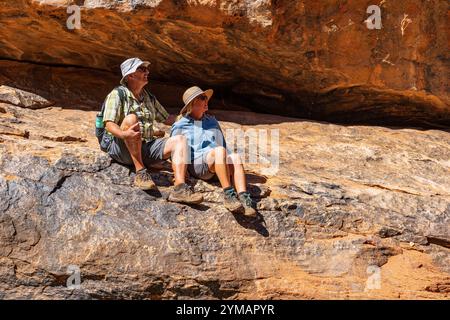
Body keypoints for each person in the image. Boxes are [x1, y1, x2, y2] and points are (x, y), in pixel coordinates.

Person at [99, 57, 203, 204]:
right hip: (122, 148)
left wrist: (193, 116)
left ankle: (180, 187)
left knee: (180, 140)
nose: (147, 71)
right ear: (130, 76)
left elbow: (167, 118)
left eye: (146, 69)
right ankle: (141, 172)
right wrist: (124, 134)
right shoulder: (117, 94)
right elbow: (109, 124)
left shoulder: (148, 96)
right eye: (141, 69)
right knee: (131, 120)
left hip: (146, 147)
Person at [170, 86, 257, 217]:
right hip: (198, 165)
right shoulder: (180, 125)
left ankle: (244, 199)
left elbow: (223, 144)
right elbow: (175, 151)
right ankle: (228, 194)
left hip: (217, 162)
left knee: (235, 157)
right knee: (219, 151)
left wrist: (230, 163)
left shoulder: (212, 121)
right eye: (202, 98)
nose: (206, 100)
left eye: (206, 97)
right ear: (192, 104)